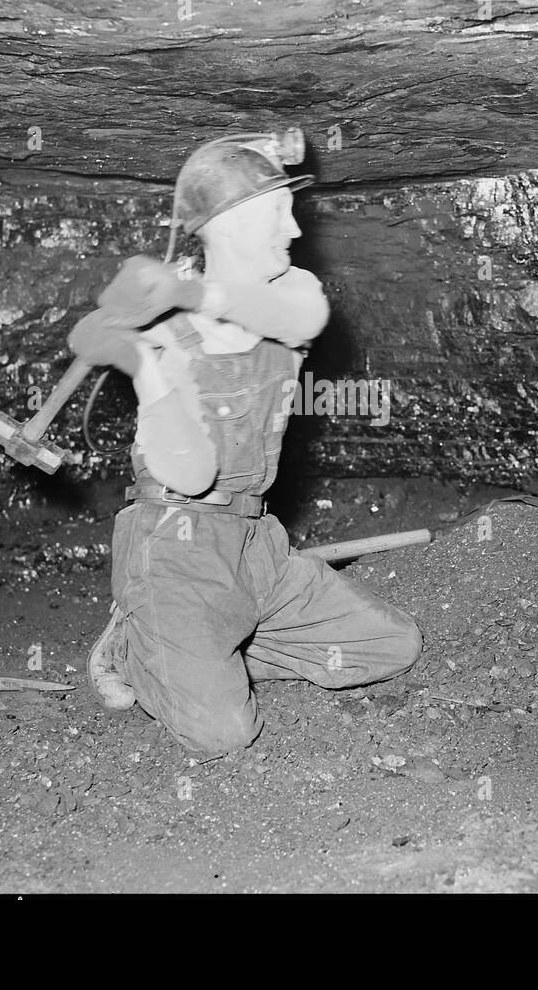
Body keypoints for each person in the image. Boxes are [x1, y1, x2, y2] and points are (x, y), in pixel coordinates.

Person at [67, 130, 422, 754]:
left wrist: (193, 291)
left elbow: (305, 319)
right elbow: (190, 472)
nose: (292, 230)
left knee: (389, 647)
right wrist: (142, 364)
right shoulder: (167, 337)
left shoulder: (288, 291)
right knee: (226, 734)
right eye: (277, 212)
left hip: (257, 545)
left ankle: (208, 653)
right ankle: (136, 642)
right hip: (177, 548)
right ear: (227, 226)